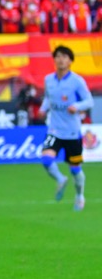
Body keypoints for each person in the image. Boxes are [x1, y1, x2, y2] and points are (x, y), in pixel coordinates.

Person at [39, 45, 94, 211]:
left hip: (72, 132)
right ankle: (61, 179)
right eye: (58, 56)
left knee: (76, 170)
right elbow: (48, 98)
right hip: (54, 130)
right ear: (54, 59)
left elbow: (89, 101)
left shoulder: (76, 81)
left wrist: (76, 106)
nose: (61, 59)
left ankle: (79, 195)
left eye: (64, 57)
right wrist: (43, 108)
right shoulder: (49, 79)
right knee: (46, 159)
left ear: (70, 61)